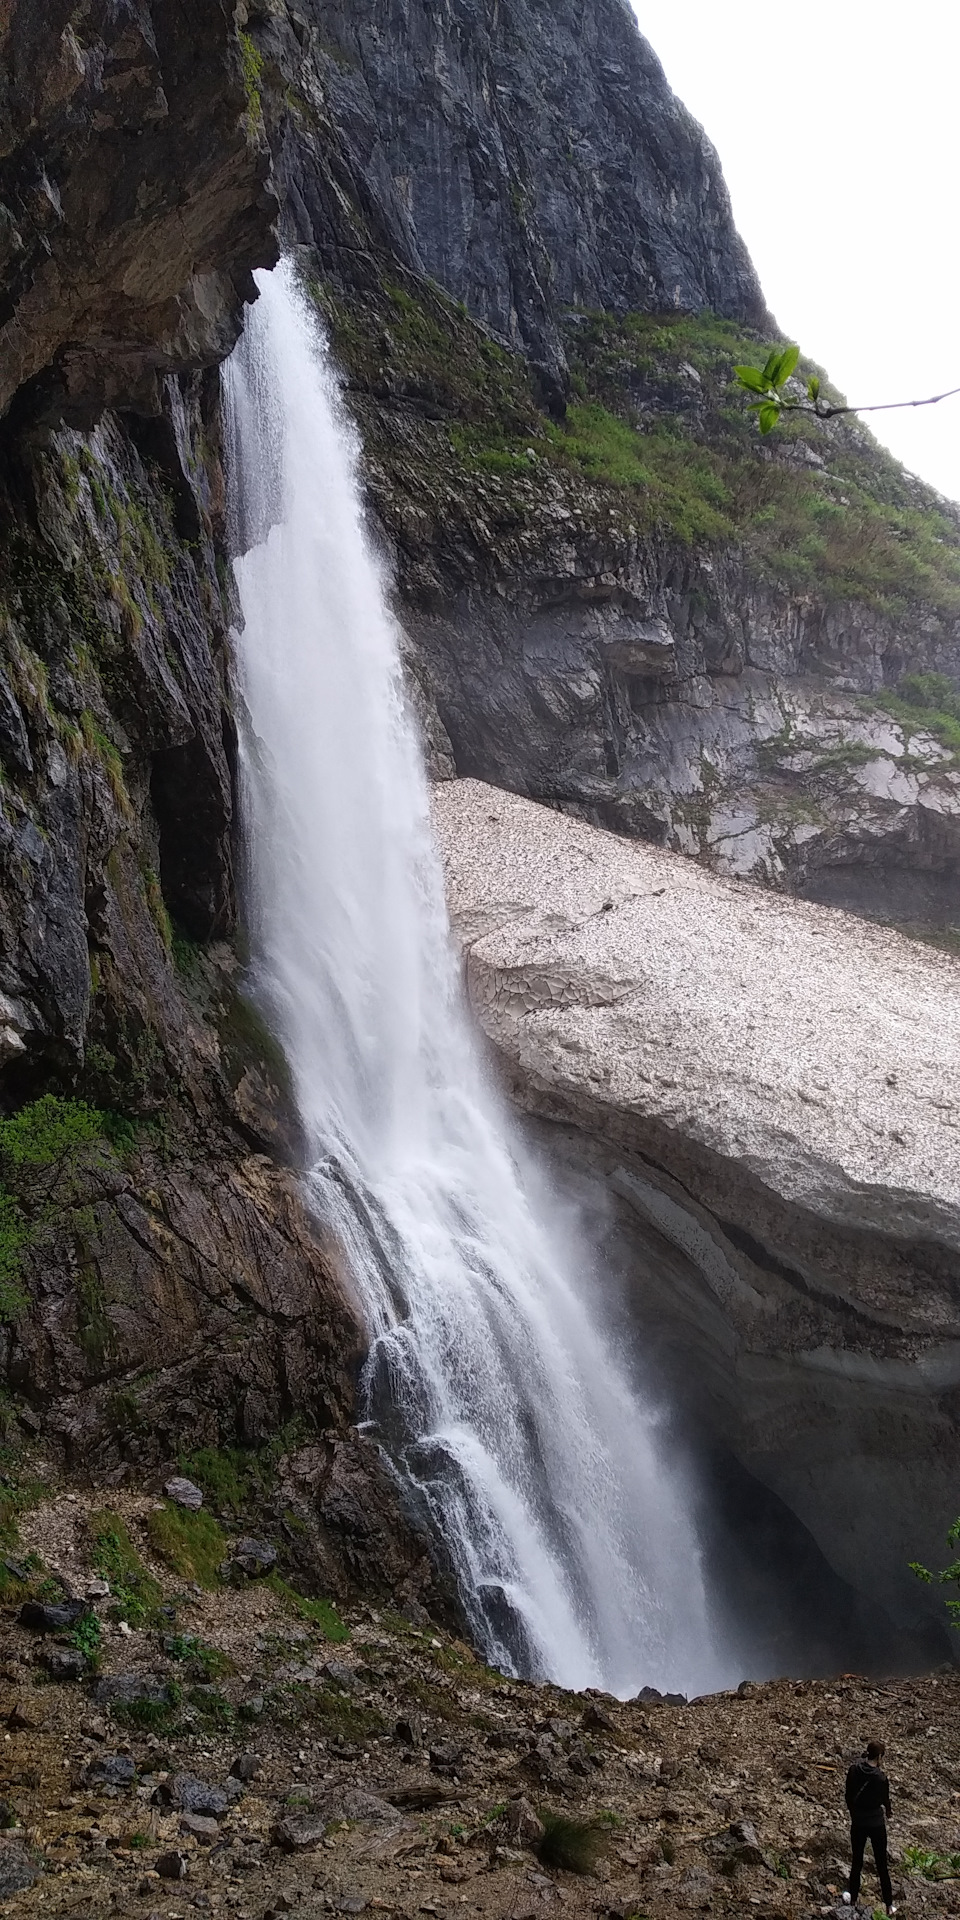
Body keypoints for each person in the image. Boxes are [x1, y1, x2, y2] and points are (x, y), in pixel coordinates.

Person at [842, 1738, 896, 1914]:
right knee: (881, 1864)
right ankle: (889, 1905)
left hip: (858, 1821)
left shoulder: (854, 1770)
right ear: (879, 1756)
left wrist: (854, 1812)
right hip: (875, 1823)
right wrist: (888, 1811)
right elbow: (884, 1800)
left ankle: (852, 1900)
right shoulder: (880, 1778)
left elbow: (848, 1795)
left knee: (856, 1861)